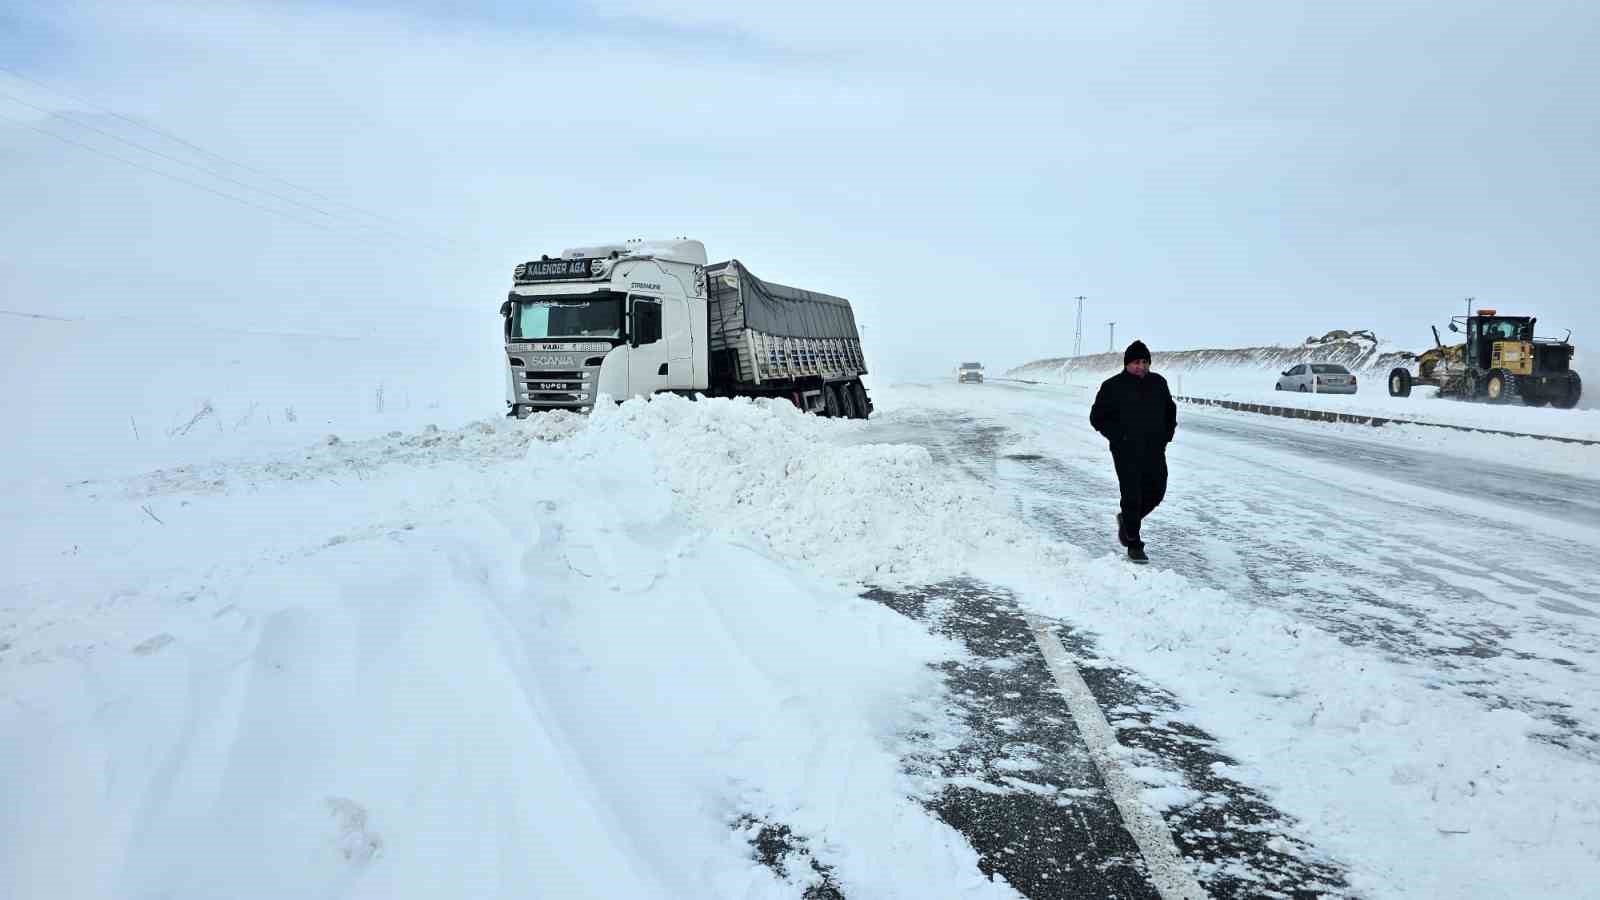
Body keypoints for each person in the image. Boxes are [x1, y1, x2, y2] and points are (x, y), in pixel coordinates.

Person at [1089, 340, 1176, 563]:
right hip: (1126, 451)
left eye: (1145, 362)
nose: (1141, 366)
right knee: (1132, 495)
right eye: (1137, 362)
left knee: (1157, 491)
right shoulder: (1112, 386)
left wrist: (1166, 436)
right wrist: (1119, 437)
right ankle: (1134, 543)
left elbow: (1170, 411)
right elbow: (1097, 417)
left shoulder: (1158, 383)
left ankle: (1127, 521)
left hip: (1154, 449)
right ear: (1127, 363)